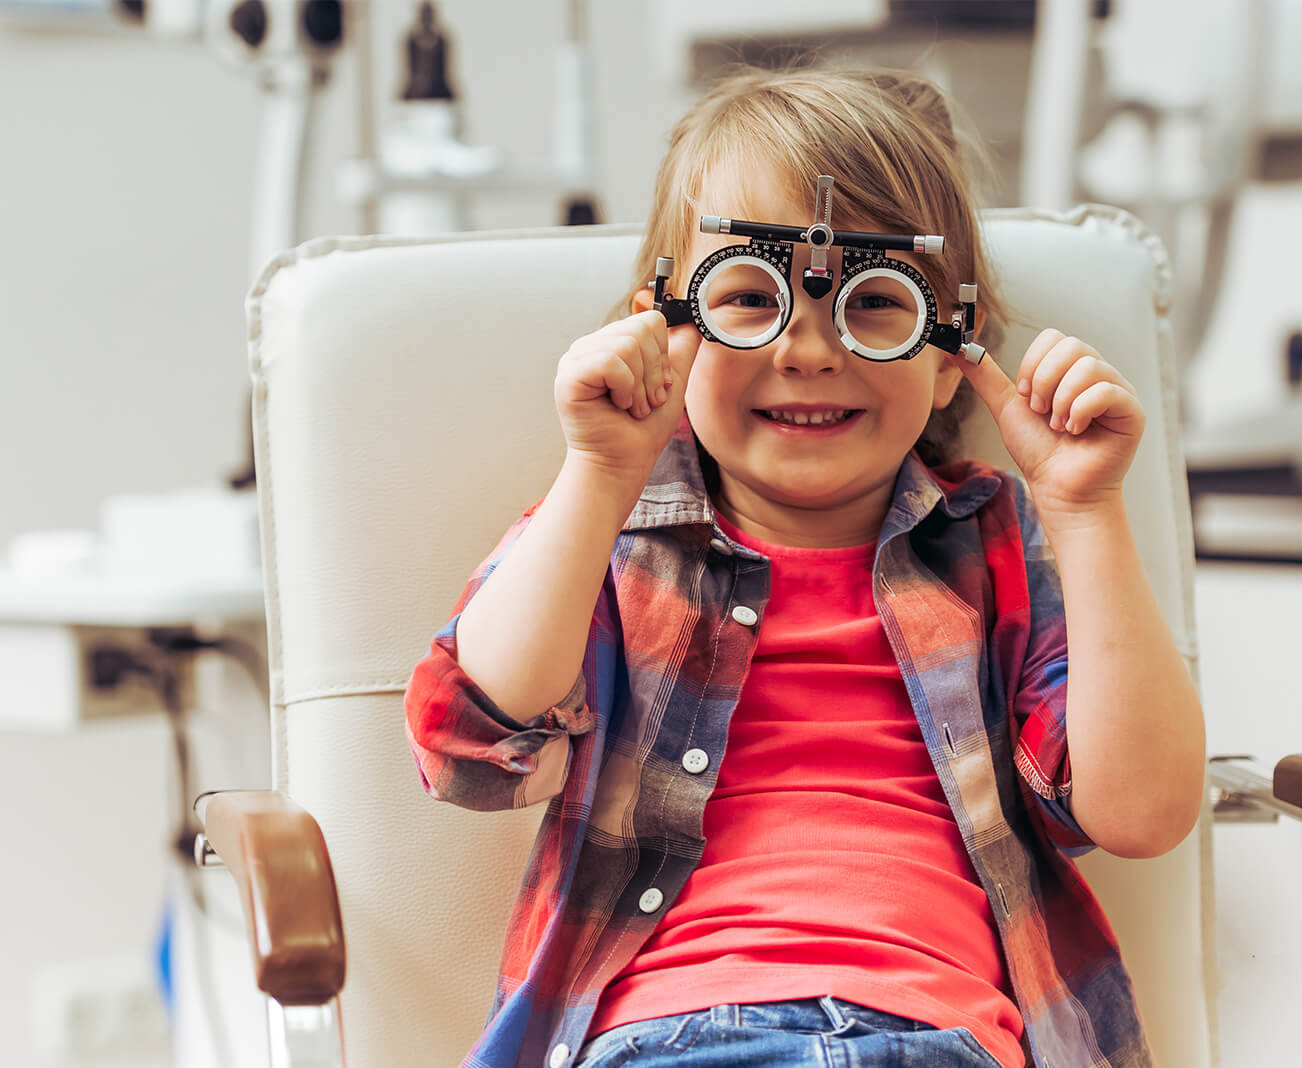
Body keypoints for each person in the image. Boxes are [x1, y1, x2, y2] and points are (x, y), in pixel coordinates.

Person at [404, 66, 1205, 1068]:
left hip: (936, 1040)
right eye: (750, 297)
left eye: (876, 304)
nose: (809, 348)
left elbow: (1140, 813)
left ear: (951, 346)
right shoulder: (612, 536)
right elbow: (469, 750)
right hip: (668, 1041)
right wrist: (601, 473)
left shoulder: (997, 542)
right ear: (664, 323)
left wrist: (1084, 510)